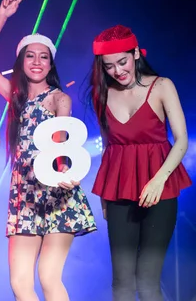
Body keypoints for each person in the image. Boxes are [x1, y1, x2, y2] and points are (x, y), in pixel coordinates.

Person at [0, 0, 96, 301]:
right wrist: (2, 16)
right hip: (24, 194)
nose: (37, 61)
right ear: (21, 61)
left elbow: (62, 138)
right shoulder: (15, 96)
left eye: (44, 56)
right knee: (19, 284)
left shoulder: (58, 98)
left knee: (48, 277)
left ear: (51, 63)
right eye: (30, 55)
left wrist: (65, 167)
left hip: (56, 191)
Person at [89, 25, 191, 301]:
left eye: (122, 62)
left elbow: (181, 140)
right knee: (121, 282)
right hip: (120, 191)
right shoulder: (102, 94)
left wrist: (158, 181)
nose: (117, 71)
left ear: (135, 53)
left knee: (147, 281)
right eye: (109, 66)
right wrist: (104, 201)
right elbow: (107, 149)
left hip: (160, 189)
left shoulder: (162, 86)